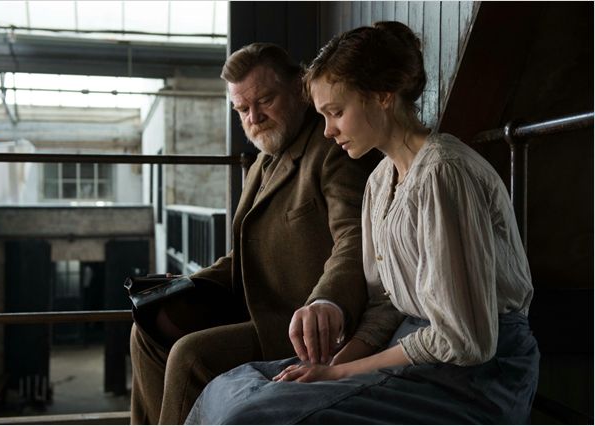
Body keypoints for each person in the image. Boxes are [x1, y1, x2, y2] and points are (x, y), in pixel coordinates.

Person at [186, 22, 540, 425]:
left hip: (477, 375)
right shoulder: (380, 180)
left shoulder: (443, 173)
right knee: (228, 388)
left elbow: (466, 339)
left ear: (382, 96)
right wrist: (332, 366)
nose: (327, 130)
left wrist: (342, 374)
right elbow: (386, 303)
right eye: (323, 115)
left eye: (336, 112)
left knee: (251, 417)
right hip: (413, 347)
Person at [129, 42, 380, 424]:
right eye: (242, 109)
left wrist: (327, 301)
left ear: (299, 88)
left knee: (190, 355)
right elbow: (245, 255)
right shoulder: (264, 160)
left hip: (299, 322)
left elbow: (356, 238)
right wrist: (184, 288)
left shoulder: (332, 149)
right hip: (254, 308)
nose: (254, 117)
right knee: (145, 331)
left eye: (265, 101)